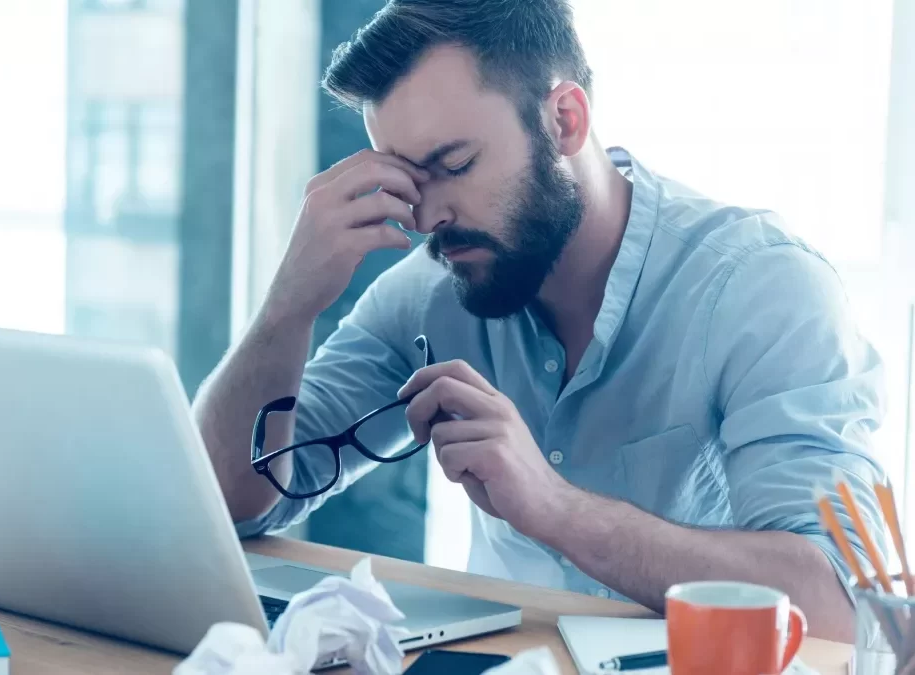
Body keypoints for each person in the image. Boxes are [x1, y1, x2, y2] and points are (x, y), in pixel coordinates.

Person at [194, 0, 886, 642]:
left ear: (565, 120)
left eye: (455, 164)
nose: (429, 216)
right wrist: (289, 304)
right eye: (408, 179)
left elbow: (839, 607)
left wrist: (555, 506)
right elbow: (235, 500)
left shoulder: (763, 290)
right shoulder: (428, 293)